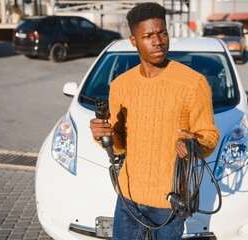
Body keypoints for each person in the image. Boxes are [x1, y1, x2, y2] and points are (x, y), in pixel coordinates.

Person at [89, 2, 219, 240]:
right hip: (128, 195)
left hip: (170, 199)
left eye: (163, 33)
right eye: (148, 35)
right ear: (134, 41)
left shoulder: (193, 83)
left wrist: (194, 144)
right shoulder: (121, 85)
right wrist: (102, 134)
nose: (158, 41)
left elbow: (209, 136)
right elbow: (120, 145)